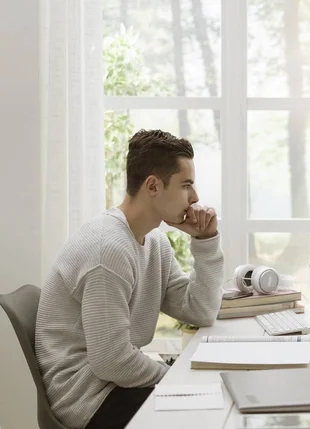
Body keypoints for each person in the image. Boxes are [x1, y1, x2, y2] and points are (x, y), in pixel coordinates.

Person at [35, 129, 224, 429]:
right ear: (153, 186)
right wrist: (175, 378)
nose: (195, 197)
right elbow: (112, 360)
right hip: (89, 398)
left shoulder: (154, 243)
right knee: (209, 414)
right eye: (186, 185)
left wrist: (207, 241)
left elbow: (199, 310)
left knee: (217, 400)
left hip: (112, 383)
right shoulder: (107, 250)